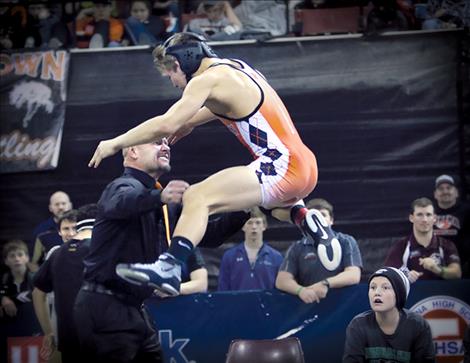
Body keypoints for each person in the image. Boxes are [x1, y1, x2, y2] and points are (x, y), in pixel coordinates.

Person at [88, 31, 339, 297]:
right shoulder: (238, 68)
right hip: (304, 166)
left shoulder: (204, 81)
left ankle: (169, 267)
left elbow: (166, 123)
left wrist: (115, 142)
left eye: (171, 73)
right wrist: (191, 122)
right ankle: (303, 218)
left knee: (198, 196)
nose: (174, 83)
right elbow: (225, 106)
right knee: (266, 203)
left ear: (182, 61)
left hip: (281, 166)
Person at [75, 139, 249, 362]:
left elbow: (210, 235)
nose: (166, 147)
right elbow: (121, 202)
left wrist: (245, 206)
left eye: (167, 143)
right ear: (133, 151)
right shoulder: (122, 186)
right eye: (157, 142)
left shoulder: (163, 201)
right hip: (105, 307)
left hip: (134, 308)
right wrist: (160, 197)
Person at [32, 204, 97, 363]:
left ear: (78, 228)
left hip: (68, 337)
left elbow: (37, 291)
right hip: (100, 337)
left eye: (72, 228)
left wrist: (48, 332)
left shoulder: (57, 254)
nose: (69, 232)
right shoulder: (102, 251)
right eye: (65, 228)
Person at [276, 198, 362, 304]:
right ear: (306, 222)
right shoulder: (298, 247)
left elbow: (353, 275)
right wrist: (301, 291)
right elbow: (282, 281)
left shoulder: (345, 241)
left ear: (331, 220)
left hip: (342, 307)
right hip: (310, 306)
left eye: (323, 215)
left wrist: (325, 283)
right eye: (314, 216)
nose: (319, 219)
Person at [343, 267, 435, 363]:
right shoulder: (358, 325)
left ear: (399, 294)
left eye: (385, 287)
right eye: (373, 287)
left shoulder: (418, 325)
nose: (377, 293)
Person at [384, 197, 462, 283]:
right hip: (412, 295)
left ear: (434, 218)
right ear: (411, 218)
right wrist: (404, 276)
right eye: (419, 215)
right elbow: (388, 273)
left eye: (428, 215)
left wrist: (437, 269)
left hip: (442, 295)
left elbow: (457, 274)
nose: (424, 219)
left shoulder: (446, 245)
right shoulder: (401, 246)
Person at [218, 207, 283, 291]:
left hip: (266, 303)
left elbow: (280, 290)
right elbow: (223, 289)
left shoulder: (276, 257)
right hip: (237, 303)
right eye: (250, 223)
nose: (254, 227)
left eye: (258, 223)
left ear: (264, 226)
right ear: (243, 226)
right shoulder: (229, 256)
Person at [433, 174, 470, 277]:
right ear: (435, 194)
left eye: (449, 188)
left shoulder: (467, 211)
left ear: (456, 192)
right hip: (434, 264)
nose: (445, 191)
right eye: (441, 189)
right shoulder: (428, 213)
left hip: (463, 264)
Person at [30, 191, 73, 268]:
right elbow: (33, 263)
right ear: (50, 208)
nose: (61, 207)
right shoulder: (41, 231)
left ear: (70, 205)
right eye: (57, 204)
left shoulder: (81, 227)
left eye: (64, 203)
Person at [0, 240, 35, 319]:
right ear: (6, 261)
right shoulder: (3, 280)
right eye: (12, 256)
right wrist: (3, 299)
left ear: (27, 258)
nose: (17, 259)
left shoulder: (36, 279)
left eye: (20, 255)